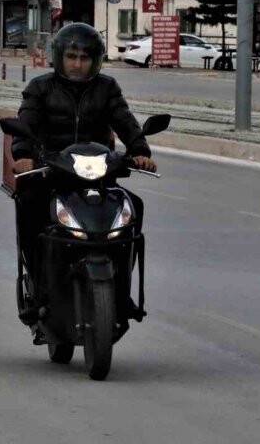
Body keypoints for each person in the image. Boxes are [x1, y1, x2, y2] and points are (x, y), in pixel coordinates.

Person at [9, 23, 156, 317]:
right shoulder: (40, 88)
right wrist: (24, 155)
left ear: (96, 61)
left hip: (99, 174)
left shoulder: (107, 88)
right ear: (60, 57)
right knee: (28, 205)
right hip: (52, 173)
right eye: (72, 57)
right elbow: (25, 124)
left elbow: (125, 120)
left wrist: (140, 151)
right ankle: (37, 288)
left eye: (85, 58)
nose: (78, 64)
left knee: (132, 206)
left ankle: (122, 291)